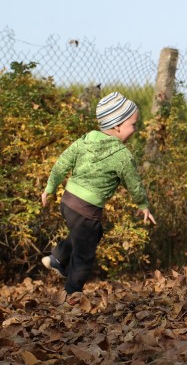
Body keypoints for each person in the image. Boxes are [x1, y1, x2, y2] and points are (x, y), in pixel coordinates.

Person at [41, 92, 156, 294]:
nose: (136, 130)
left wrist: (49, 188)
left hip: (67, 203)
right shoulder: (122, 155)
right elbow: (134, 184)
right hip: (86, 209)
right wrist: (143, 205)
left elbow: (61, 163)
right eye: (134, 125)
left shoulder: (84, 141)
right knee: (84, 257)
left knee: (93, 233)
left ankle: (57, 257)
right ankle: (72, 297)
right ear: (118, 125)